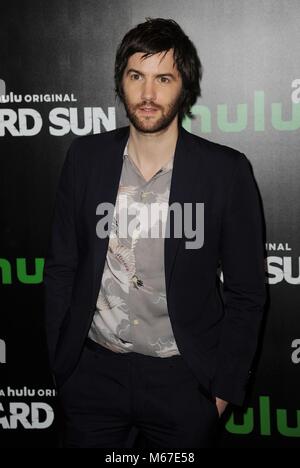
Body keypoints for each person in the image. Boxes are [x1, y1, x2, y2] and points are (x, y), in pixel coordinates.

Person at [43, 17, 266, 448]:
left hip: (184, 383)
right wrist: (62, 364)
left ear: (184, 85)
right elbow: (61, 267)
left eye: (163, 78)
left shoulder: (226, 172)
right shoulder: (86, 158)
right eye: (136, 76)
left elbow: (247, 293)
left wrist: (222, 391)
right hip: (92, 377)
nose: (148, 94)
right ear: (121, 83)